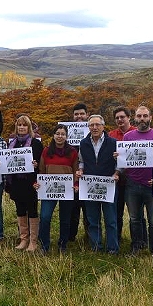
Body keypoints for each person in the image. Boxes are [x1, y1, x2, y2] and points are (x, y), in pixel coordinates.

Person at [122, 106, 153, 258]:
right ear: (135, 118)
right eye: (139, 116)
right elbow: (123, 163)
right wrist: (118, 156)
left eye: (145, 116)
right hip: (132, 184)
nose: (142, 118)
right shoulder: (128, 136)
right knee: (134, 219)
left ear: (150, 117)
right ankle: (136, 246)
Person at [76, 114, 120, 254]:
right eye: (91, 125)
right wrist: (80, 170)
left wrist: (117, 173)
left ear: (103, 126)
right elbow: (81, 161)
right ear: (88, 127)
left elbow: (121, 162)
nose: (94, 128)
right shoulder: (83, 143)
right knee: (92, 219)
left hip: (109, 184)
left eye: (97, 125)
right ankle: (96, 246)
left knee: (111, 219)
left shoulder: (113, 142)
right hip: (90, 186)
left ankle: (112, 248)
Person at [35, 124, 79, 253]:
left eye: (63, 134)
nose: (60, 136)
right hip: (48, 191)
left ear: (66, 136)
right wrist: (38, 183)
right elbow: (41, 170)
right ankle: (44, 245)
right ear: (53, 135)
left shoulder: (72, 152)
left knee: (65, 219)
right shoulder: (46, 151)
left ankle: (62, 244)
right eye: (57, 134)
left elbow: (76, 170)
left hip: (67, 191)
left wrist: (76, 184)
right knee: (45, 217)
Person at [6, 114, 43, 252]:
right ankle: (24, 239)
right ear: (16, 127)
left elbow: (41, 163)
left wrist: (36, 163)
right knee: (20, 210)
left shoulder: (36, 143)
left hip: (30, 183)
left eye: (24, 125)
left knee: (32, 210)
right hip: (16, 182)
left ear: (29, 127)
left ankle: (33, 241)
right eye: (19, 125)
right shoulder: (11, 143)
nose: (21, 127)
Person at [107, 106, 138, 243]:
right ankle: (116, 238)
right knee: (117, 212)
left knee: (135, 214)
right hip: (117, 180)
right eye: (117, 118)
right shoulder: (111, 135)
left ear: (129, 118)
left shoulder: (137, 133)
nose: (120, 120)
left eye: (122, 117)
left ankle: (139, 241)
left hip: (134, 179)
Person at [68, 102, 89, 243]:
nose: (79, 116)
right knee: (73, 209)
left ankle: (90, 236)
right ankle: (71, 237)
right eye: (76, 114)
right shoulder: (67, 132)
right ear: (73, 116)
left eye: (82, 114)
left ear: (87, 115)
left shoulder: (93, 130)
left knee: (89, 210)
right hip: (71, 178)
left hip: (89, 177)